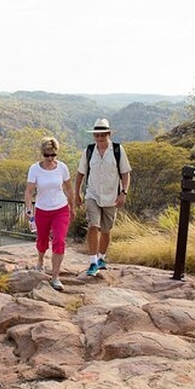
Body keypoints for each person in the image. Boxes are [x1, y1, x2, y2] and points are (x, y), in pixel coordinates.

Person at [74, 118, 132, 276]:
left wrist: (123, 193)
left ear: (108, 134)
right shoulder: (89, 151)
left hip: (111, 197)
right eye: (97, 135)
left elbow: (126, 173)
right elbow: (80, 173)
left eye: (102, 135)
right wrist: (77, 193)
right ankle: (93, 262)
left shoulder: (118, 150)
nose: (99, 138)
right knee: (93, 226)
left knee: (106, 230)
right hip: (92, 194)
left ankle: (101, 258)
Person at [24, 137, 73, 291]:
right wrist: (28, 209)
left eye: (53, 155)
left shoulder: (62, 168)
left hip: (61, 209)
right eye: (47, 155)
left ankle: (55, 276)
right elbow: (29, 191)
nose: (50, 158)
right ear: (42, 153)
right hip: (42, 209)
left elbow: (69, 188)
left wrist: (73, 206)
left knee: (59, 240)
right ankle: (40, 260)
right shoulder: (34, 169)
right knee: (42, 240)